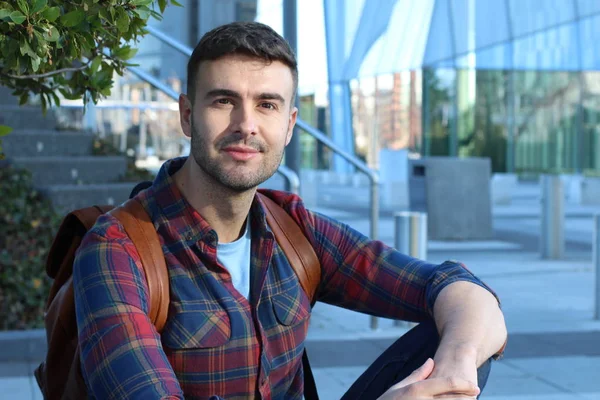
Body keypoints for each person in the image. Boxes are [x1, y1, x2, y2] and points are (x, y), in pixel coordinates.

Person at [72, 21, 507, 400]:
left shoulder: (293, 230)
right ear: (187, 115)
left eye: (267, 104)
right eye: (223, 101)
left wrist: (455, 369)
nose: (246, 124)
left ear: (289, 125)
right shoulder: (117, 249)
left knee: (456, 343)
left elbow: (456, 287)